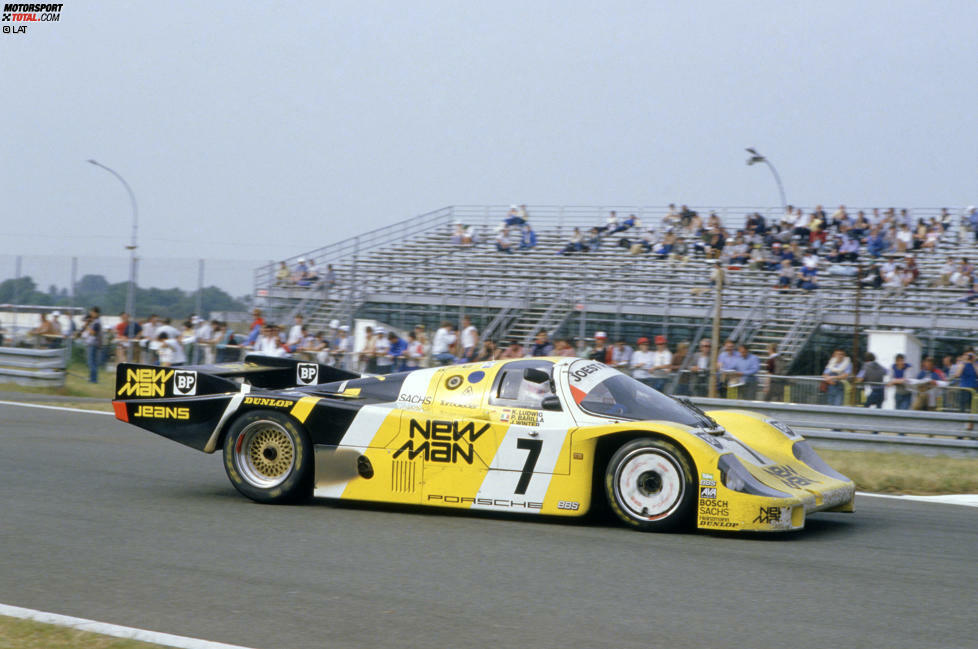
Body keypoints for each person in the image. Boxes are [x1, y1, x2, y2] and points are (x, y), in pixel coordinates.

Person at [79, 307, 103, 383]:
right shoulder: (94, 321)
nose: (91, 314)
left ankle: (93, 379)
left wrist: (87, 326)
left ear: (96, 313)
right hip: (91, 343)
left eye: (92, 312)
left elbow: (93, 333)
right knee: (92, 362)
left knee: (91, 362)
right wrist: (87, 322)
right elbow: (83, 320)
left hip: (93, 344)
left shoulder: (97, 322)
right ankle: (93, 378)